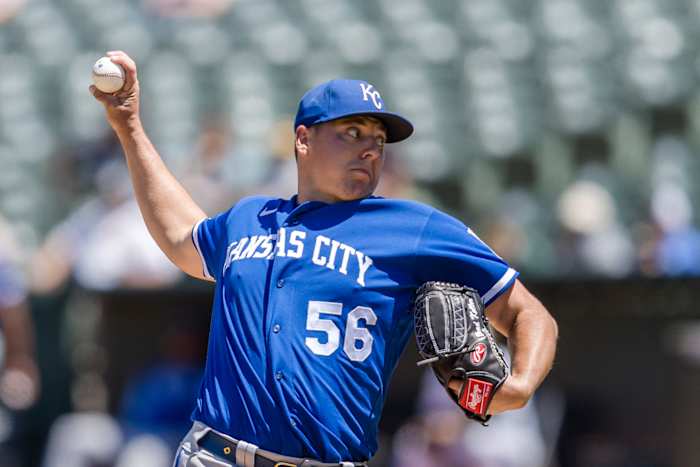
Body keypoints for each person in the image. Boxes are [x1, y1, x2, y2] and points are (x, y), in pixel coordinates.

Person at [90, 50, 558, 467]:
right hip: (216, 455)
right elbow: (180, 238)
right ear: (303, 140)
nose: (369, 148)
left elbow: (527, 312)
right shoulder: (251, 217)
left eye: (377, 138)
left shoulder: (414, 228)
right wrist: (129, 127)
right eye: (351, 132)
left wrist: (519, 384)